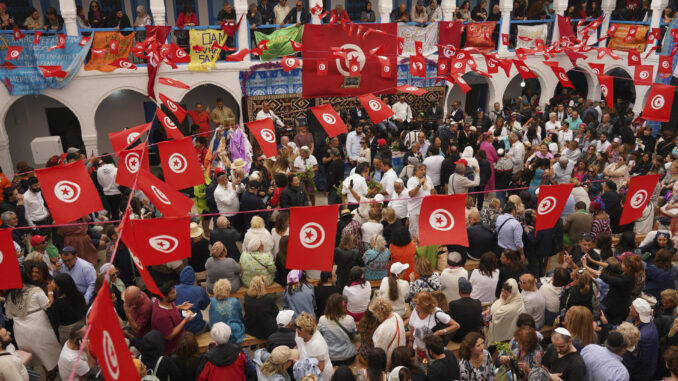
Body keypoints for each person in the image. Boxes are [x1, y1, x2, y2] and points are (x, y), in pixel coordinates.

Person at [4, 267, 61, 380]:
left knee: (34, 354)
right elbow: (48, 305)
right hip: (38, 326)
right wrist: (50, 292)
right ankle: (52, 371)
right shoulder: (36, 291)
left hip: (21, 330)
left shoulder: (10, 296)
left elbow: (9, 316)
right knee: (47, 352)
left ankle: (46, 372)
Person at [408, 292, 459, 363]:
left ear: (425, 305)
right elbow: (412, 325)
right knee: (421, 369)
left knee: (432, 370)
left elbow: (456, 325)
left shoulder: (437, 313)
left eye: (419, 304)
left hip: (432, 352)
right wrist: (410, 340)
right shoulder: (417, 309)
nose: (416, 306)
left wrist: (441, 332)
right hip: (419, 350)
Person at [151, 282, 193, 355]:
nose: (175, 293)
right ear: (164, 297)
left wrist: (180, 307)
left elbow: (169, 310)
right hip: (174, 349)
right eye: (172, 293)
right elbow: (169, 336)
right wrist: (185, 321)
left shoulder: (164, 301)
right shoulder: (161, 316)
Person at [317, 293, 358, 366]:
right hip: (348, 357)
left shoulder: (322, 320)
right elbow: (354, 334)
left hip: (330, 357)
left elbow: (319, 336)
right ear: (342, 306)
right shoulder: (349, 319)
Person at [49, 273, 87, 344]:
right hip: (82, 327)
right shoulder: (80, 296)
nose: (52, 283)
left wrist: (50, 293)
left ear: (59, 286)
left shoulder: (58, 304)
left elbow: (54, 321)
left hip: (67, 332)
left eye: (54, 282)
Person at [295, 312, 333, 380]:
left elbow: (321, 367)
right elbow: (298, 345)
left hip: (318, 376)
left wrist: (306, 375)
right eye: (296, 326)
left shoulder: (317, 344)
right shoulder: (299, 334)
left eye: (299, 328)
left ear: (308, 330)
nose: (296, 329)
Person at [487, 279, 525, 344]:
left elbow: (496, 315)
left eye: (506, 293)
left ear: (512, 293)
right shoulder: (510, 297)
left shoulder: (514, 306)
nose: (503, 294)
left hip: (506, 338)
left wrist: (490, 313)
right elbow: (499, 302)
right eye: (502, 291)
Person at [629, 297, 658, 381]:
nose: (629, 308)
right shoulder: (637, 320)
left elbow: (640, 361)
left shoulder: (645, 336)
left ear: (636, 313)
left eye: (631, 307)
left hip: (640, 375)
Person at [175, 266, 210, 334]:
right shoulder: (199, 290)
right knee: (209, 325)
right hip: (197, 328)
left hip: (179, 329)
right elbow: (204, 307)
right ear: (194, 278)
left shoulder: (173, 289)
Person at [243, 276, 279, 340]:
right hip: (265, 330)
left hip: (249, 328)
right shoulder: (267, 299)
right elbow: (276, 311)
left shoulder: (246, 297)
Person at [448, 278, 482, 343]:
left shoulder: (453, 304)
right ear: (471, 290)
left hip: (459, 338)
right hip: (474, 337)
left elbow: (451, 322)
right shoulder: (478, 302)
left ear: (459, 291)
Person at [97, 155, 121, 220]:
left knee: (111, 210)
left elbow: (100, 183)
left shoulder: (99, 170)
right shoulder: (116, 170)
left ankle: (113, 225)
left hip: (106, 193)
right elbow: (119, 183)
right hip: (116, 192)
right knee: (116, 211)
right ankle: (116, 225)